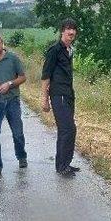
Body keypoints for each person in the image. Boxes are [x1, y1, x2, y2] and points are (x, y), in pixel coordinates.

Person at [0, 31, 27, 178]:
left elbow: (22, 77)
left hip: (12, 101)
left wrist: (9, 84)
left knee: (17, 133)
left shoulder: (12, 58)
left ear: (2, 42)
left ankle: (21, 156)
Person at [41, 18, 79, 178]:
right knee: (67, 129)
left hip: (69, 95)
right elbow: (45, 76)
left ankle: (65, 163)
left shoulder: (69, 50)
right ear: (62, 31)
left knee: (70, 130)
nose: (71, 32)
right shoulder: (54, 50)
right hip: (58, 95)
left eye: (73, 29)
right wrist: (44, 99)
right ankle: (61, 166)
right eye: (68, 29)